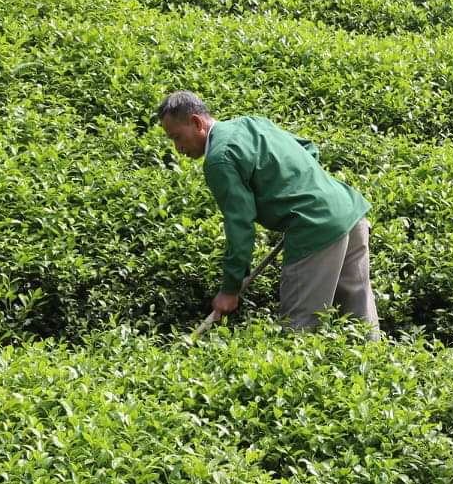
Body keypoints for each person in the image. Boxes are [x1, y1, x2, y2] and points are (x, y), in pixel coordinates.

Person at [155, 91, 380, 336]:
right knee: (360, 319)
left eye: (177, 137)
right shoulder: (252, 123)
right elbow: (308, 148)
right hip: (349, 210)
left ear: (197, 123)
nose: (177, 148)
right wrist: (305, 193)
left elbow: (240, 225)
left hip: (314, 228)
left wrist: (230, 289)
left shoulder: (219, 159)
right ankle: (379, 370)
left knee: (299, 329)